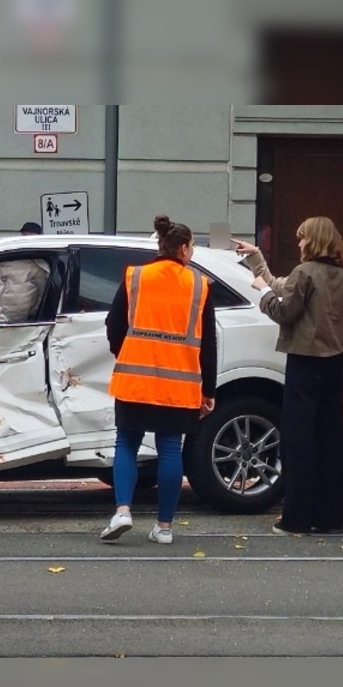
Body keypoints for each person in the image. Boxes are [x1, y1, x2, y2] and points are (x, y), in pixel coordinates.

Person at [234, 235, 343, 524]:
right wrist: (257, 256)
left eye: (303, 238)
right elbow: (277, 283)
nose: (298, 243)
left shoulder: (306, 272)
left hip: (307, 362)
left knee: (300, 440)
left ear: (315, 241)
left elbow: (283, 306)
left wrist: (263, 295)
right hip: (337, 365)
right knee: (332, 440)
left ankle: (298, 516)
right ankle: (331, 515)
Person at [99, 214, 217, 545]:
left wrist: (126, 351)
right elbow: (208, 343)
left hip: (135, 378)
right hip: (179, 384)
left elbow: (113, 323)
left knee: (126, 443)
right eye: (192, 246)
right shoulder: (198, 285)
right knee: (169, 449)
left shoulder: (136, 277)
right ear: (182, 248)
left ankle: (123, 511)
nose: (192, 252)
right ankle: (164, 527)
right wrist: (209, 390)